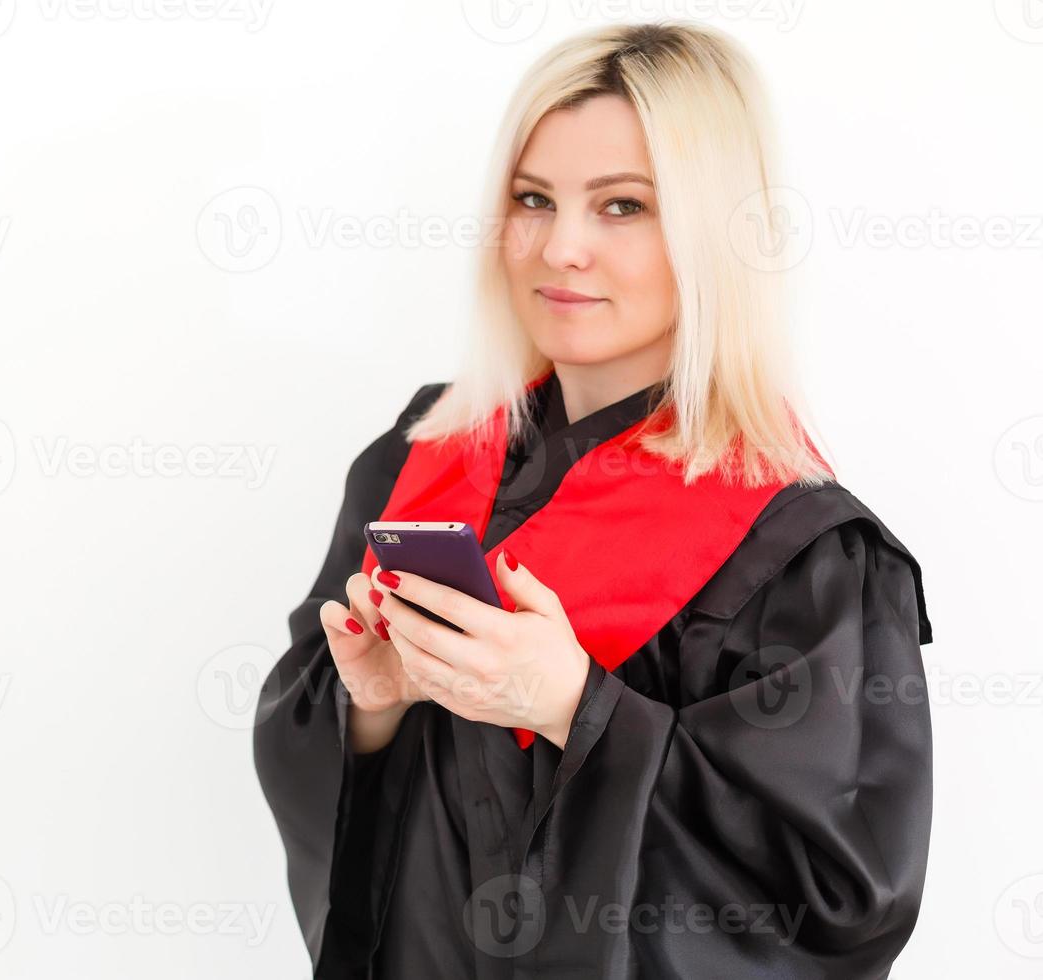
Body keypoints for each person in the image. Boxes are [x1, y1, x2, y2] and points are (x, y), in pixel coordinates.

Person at [253, 21, 933, 980]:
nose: (560, 248)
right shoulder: (424, 458)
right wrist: (371, 707)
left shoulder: (797, 551)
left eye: (623, 206)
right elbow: (313, 753)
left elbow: (838, 898)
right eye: (533, 199)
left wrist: (580, 709)